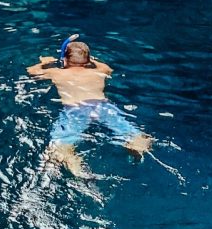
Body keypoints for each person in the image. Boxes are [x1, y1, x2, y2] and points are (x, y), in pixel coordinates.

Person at [27, 37, 153, 178]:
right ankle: (137, 147)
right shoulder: (101, 70)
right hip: (102, 106)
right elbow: (108, 69)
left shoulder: (57, 72)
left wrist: (46, 62)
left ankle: (77, 170)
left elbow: (31, 71)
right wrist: (91, 60)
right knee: (133, 134)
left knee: (60, 146)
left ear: (65, 60)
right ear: (88, 60)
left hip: (75, 110)